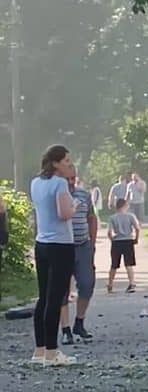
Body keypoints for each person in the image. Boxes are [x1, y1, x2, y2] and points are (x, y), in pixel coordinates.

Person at [29, 145, 78, 366]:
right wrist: (75, 206)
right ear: (56, 163)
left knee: (43, 296)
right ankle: (52, 351)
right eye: (66, 161)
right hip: (61, 244)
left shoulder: (36, 183)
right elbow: (64, 213)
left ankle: (39, 349)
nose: (69, 164)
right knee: (56, 298)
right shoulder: (60, 184)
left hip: (42, 243)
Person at [58, 166, 98, 345]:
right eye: (67, 179)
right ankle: (65, 329)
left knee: (87, 284)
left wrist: (93, 241)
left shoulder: (83, 194)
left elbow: (92, 217)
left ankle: (79, 322)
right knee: (62, 290)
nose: (70, 182)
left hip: (83, 245)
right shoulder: (56, 195)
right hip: (62, 246)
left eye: (73, 178)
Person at [107, 198, 141, 294]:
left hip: (117, 241)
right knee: (129, 264)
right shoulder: (130, 216)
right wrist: (136, 239)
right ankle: (131, 283)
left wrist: (111, 239)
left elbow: (109, 232)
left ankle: (110, 284)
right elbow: (137, 228)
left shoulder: (112, 218)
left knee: (114, 265)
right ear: (124, 206)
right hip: (128, 241)